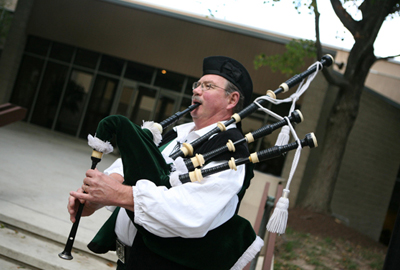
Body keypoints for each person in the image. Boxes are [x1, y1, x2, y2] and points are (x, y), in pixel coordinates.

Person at [68, 56, 263, 269]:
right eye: (197, 84)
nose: (197, 90)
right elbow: (137, 164)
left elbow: (191, 210)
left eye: (208, 86)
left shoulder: (231, 149)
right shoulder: (178, 133)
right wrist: (99, 196)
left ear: (232, 100)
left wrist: (118, 194)